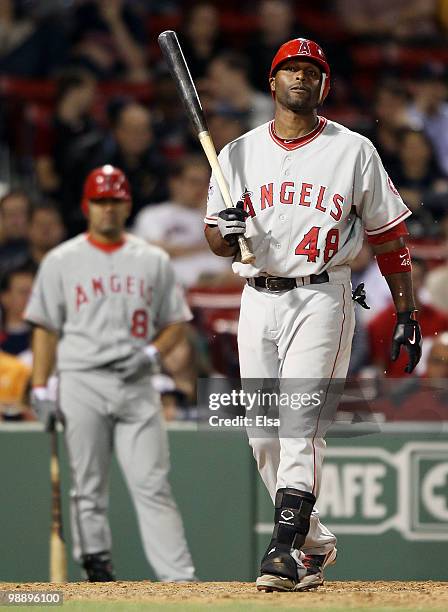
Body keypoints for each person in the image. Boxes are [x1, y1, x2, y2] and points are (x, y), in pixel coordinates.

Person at [204, 38, 422, 592]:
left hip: (323, 293)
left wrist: (407, 312)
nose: (301, 77)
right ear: (272, 82)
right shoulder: (237, 153)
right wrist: (223, 235)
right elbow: (214, 237)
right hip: (257, 295)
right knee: (262, 433)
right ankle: (314, 543)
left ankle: (281, 551)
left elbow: (389, 233)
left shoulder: (353, 150)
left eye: (312, 71)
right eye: (291, 69)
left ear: (324, 86)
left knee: (301, 422)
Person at [25, 165, 195, 582]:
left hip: (136, 381)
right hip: (82, 377)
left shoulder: (152, 259)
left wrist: (152, 354)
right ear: (86, 206)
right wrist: (41, 387)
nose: (107, 209)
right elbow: (45, 327)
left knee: (152, 484)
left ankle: (179, 578)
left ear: (127, 204)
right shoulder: (61, 260)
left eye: (114, 200)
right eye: (99, 201)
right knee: (87, 485)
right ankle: (96, 565)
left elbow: (176, 321)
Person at [133, 155, 229, 287]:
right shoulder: (153, 215)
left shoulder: (216, 217)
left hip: (221, 288)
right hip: (175, 288)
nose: (201, 188)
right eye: (194, 182)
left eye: (206, 182)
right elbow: (155, 253)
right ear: (175, 182)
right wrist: (206, 246)